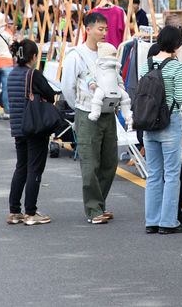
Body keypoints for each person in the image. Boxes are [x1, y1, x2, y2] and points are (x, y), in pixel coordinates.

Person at [61, 12, 117, 224]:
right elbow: (68, 86)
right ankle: (93, 209)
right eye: (100, 29)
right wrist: (80, 106)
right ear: (88, 29)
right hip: (87, 112)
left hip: (108, 112)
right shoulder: (76, 55)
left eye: (105, 29)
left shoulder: (107, 53)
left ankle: (100, 204)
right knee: (90, 162)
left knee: (109, 161)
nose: (104, 33)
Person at [140, 26, 182, 234]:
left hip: (148, 123)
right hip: (169, 122)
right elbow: (181, 98)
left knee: (153, 174)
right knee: (172, 174)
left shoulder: (147, 64)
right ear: (177, 44)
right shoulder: (176, 67)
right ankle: (168, 222)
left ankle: (151, 221)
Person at [6, 39, 57, 225]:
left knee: (21, 167)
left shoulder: (12, 74)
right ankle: (31, 213)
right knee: (35, 168)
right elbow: (51, 95)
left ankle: (14, 212)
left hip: (18, 127)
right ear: (33, 56)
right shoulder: (33, 74)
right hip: (35, 127)